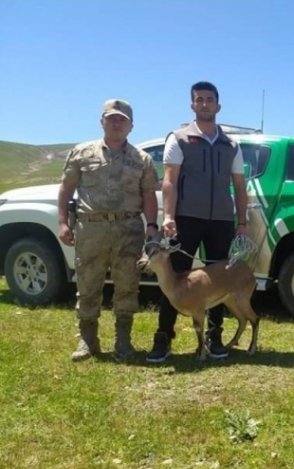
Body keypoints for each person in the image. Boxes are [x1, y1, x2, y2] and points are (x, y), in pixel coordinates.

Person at [146, 81, 248, 363]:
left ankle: (214, 338)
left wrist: (241, 222)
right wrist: (168, 216)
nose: (205, 103)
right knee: (174, 276)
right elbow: (169, 181)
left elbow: (240, 186)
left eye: (210, 99)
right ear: (192, 105)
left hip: (222, 221)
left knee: (218, 279)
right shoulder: (178, 138)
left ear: (218, 105)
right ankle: (163, 338)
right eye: (199, 99)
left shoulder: (232, 145)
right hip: (185, 219)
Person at [58, 99, 159, 361]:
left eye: (122, 119)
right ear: (102, 121)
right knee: (88, 284)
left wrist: (152, 226)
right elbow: (66, 188)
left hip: (128, 229)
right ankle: (87, 341)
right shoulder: (82, 153)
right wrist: (62, 222)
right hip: (91, 228)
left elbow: (149, 195)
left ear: (131, 126)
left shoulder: (143, 159)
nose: (117, 122)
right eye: (111, 118)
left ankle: (123, 342)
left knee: (128, 285)